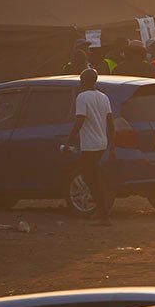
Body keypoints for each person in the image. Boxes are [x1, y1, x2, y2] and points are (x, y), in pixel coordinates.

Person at [65, 70, 115, 225]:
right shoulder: (103, 97)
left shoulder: (82, 97)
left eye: (81, 79)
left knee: (90, 178)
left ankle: (104, 214)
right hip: (102, 142)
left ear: (84, 80)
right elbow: (111, 123)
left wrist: (68, 141)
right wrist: (111, 146)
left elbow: (80, 120)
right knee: (94, 176)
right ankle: (102, 211)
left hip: (90, 145)